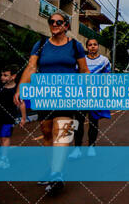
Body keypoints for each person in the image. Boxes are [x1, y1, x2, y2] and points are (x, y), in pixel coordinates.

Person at [14, 12, 89, 195]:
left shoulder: (75, 46)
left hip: (67, 94)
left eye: (58, 22)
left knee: (61, 131)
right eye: (51, 21)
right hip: (45, 94)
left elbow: (84, 70)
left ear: (66, 26)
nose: (54, 24)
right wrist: (20, 89)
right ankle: (52, 168)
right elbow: (31, 67)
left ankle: (57, 174)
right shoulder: (40, 45)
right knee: (47, 132)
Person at [69, 38, 112, 159]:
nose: (92, 47)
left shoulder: (104, 61)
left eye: (94, 45)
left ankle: (91, 146)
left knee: (93, 122)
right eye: (90, 45)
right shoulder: (81, 60)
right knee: (78, 122)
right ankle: (77, 148)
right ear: (87, 47)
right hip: (81, 96)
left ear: (98, 46)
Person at [0, 66, 26, 169]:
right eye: (2, 75)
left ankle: (4, 159)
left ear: (13, 76)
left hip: (9, 117)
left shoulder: (16, 90)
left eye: (5, 75)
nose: (2, 77)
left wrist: (23, 118)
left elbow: (21, 104)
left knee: (5, 137)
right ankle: (2, 153)